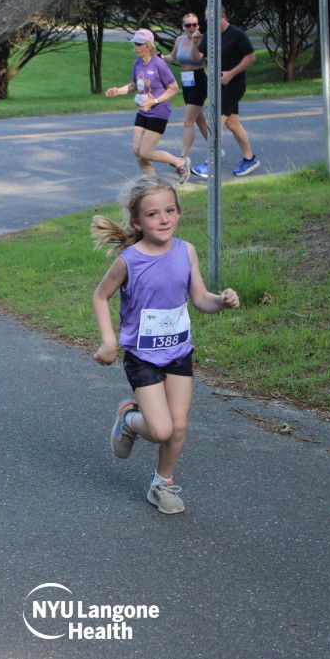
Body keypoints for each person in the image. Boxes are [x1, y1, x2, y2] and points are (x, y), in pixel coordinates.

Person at [91, 174, 240, 514]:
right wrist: (109, 341)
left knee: (179, 426)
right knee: (160, 430)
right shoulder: (130, 260)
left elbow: (200, 298)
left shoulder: (186, 251)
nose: (163, 219)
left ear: (179, 212)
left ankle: (162, 484)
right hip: (142, 357)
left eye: (170, 211)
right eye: (153, 214)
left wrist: (221, 301)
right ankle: (129, 418)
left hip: (178, 352)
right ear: (137, 222)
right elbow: (100, 296)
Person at [106, 29, 189, 183]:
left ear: (149, 45)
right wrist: (117, 91)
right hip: (143, 112)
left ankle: (179, 162)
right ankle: (152, 183)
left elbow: (173, 88)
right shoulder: (137, 64)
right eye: (135, 44)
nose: (136, 47)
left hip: (159, 112)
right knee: (137, 151)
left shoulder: (159, 64)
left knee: (146, 153)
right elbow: (133, 85)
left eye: (140, 44)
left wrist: (154, 101)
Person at [190, 6, 260, 178]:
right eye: (206, 20)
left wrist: (231, 74)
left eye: (211, 19)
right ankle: (250, 159)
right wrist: (195, 43)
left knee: (214, 122)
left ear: (222, 17)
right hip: (218, 85)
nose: (208, 23)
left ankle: (211, 163)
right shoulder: (210, 35)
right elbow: (197, 58)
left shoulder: (236, 34)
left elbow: (251, 57)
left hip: (234, 85)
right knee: (233, 123)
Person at [160, 13, 214, 163]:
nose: (192, 28)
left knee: (188, 121)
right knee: (199, 120)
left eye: (194, 24)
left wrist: (195, 43)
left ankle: (183, 158)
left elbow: (197, 58)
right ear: (183, 27)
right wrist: (160, 58)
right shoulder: (179, 40)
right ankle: (216, 149)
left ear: (198, 25)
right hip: (186, 81)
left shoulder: (202, 40)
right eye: (188, 25)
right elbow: (173, 57)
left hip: (199, 80)